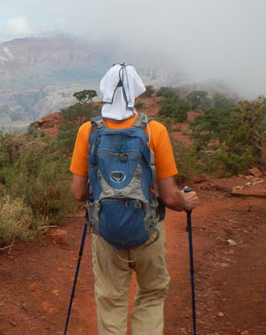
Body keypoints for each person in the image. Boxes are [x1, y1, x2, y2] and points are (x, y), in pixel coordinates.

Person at [69, 63, 198, 335]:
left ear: (104, 90)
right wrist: (185, 203)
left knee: (110, 298)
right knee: (151, 294)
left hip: (105, 231)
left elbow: (79, 193)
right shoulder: (154, 131)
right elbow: (168, 195)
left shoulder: (88, 131)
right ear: (136, 92)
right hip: (148, 230)